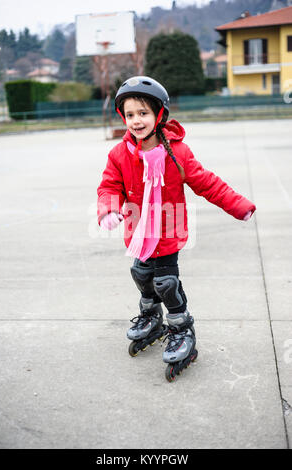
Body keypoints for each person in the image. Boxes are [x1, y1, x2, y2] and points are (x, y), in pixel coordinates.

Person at [97, 76, 256, 382]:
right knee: (141, 275)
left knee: (166, 282)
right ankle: (151, 317)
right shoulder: (120, 154)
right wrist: (109, 209)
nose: (135, 121)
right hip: (139, 231)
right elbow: (109, 186)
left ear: (158, 114)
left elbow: (207, 183)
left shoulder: (178, 153)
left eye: (142, 113)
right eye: (129, 114)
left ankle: (182, 329)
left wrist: (238, 205)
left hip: (168, 231)